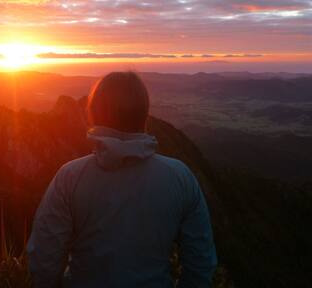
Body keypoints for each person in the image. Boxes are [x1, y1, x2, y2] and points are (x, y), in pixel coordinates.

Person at [27, 72, 217, 288]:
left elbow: (44, 260)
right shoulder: (180, 177)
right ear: (144, 116)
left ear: (94, 115)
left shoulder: (70, 177)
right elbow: (201, 264)